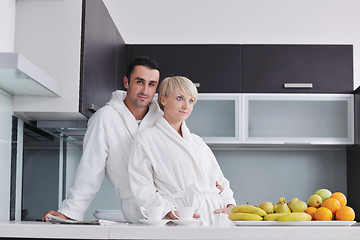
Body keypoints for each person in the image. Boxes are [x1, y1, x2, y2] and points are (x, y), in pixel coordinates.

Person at [42, 56, 163, 223]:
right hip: (136, 210)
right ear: (126, 82)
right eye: (140, 82)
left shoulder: (163, 119)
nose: (145, 91)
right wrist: (70, 211)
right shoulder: (105, 118)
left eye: (152, 84)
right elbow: (90, 170)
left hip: (175, 206)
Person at [128, 76, 236, 226]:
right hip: (182, 218)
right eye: (180, 98)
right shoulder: (147, 139)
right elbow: (141, 186)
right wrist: (168, 211)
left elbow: (221, 181)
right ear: (163, 100)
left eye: (191, 101)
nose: (186, 106)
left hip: (215, 218)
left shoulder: (197, 142)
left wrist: (230, 206)